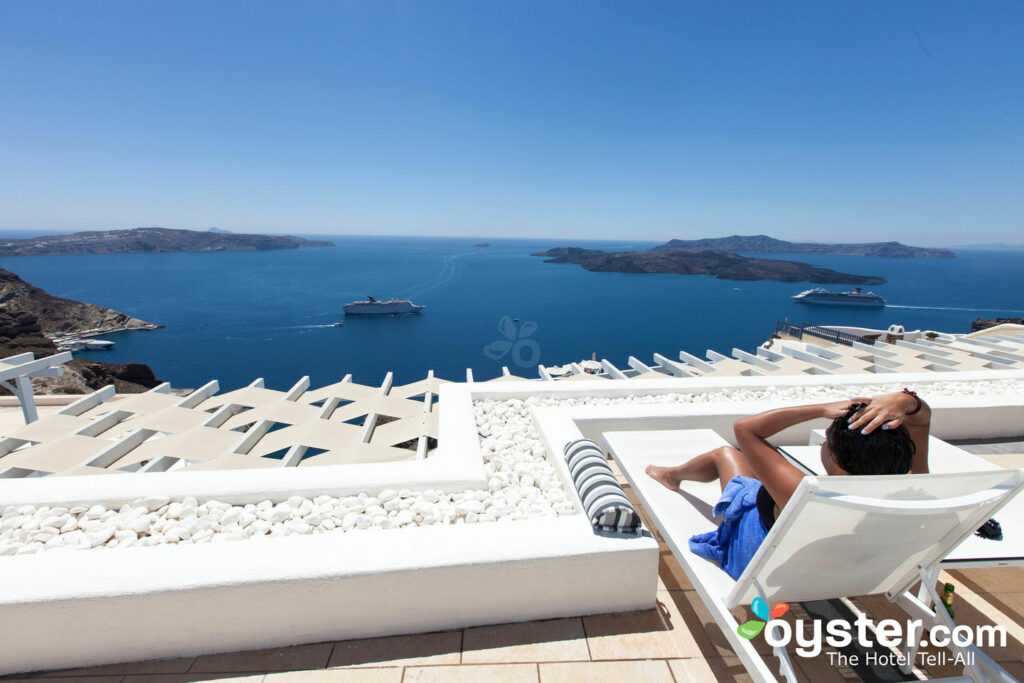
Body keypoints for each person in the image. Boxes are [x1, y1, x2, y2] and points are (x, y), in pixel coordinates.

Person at [645, 389, 930, 579]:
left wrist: (820, 409)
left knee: (727, 454)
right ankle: (674, 475)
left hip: (760, 559)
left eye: (827, 439)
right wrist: (908, 401)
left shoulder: (808, 496)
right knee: (754, 473)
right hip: (829, 572)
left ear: (834, 457)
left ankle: (672, 476)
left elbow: (746, 428)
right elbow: (920, 423)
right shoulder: (908, 490)